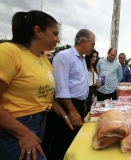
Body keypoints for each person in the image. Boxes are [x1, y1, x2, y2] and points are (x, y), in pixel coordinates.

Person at [0, 10, 73, 160]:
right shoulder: (9, 52)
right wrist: (24, 134)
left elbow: (46, 97)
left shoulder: (45, 61)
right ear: (38, 31)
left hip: (40, 123)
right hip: (14, 127)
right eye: (54, 34)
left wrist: (65, 115)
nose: (58, 39)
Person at [47, 29, 95, 160]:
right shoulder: (64, 56)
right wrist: (72, 111)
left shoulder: (81, 59)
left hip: (78, 104)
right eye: (93, 44)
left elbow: (79, 84)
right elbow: (61, 89)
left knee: (73, 143)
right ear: (83, 42)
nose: (93, 47)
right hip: (66, 105)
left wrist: (83, 103)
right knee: (62, 144)